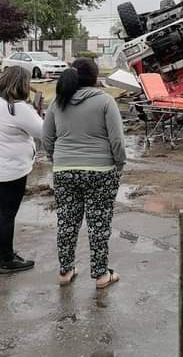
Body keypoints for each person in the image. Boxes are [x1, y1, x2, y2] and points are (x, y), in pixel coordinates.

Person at [43, 58, 126, 289]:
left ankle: (65, 271)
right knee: (98, 223)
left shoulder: (58, 102)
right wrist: (119, 164)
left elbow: (47, 137)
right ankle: (101, 275)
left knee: (67, 222)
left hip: (64, 170)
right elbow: (117, 139)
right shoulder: (105, 101)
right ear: (94, 77)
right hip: (100, 171)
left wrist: (56, 159)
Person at [0, 66, 43, 274]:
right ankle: (7, 259)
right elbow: (41, 130)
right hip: (12, 168)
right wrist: (36, 110)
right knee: (8, 213)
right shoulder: (16, 108)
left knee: (0, 210)